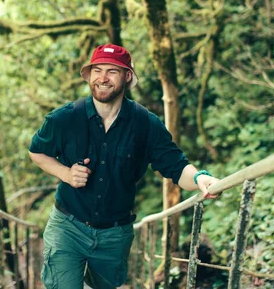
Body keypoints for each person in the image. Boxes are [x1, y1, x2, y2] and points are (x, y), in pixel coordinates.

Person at [29, 43, 220, 289]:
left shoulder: (146, 124)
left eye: (112, 71)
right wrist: (65, 173)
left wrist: (200, 179)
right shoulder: (64, 118)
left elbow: (176, 166)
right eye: (97, 70)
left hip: (115, 235)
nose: (102, 78)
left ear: (127, 76)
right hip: (68, 227)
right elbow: (37, 152)